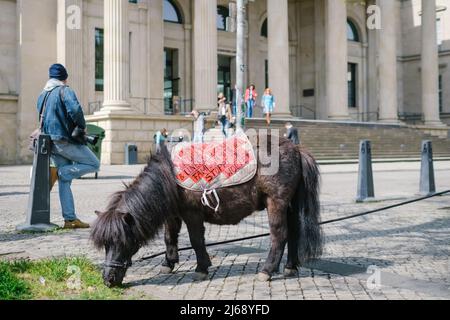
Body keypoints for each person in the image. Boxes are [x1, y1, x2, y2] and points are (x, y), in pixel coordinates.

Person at [37, 63, 100, 229]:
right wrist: (82, 126)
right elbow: (75, 110)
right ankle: (61, 173)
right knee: (94, 163)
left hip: (51, 142)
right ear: (64, 77)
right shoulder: (65, 90)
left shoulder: (42, 95)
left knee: (65, 182)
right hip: (65, 140)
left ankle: (70, 219)